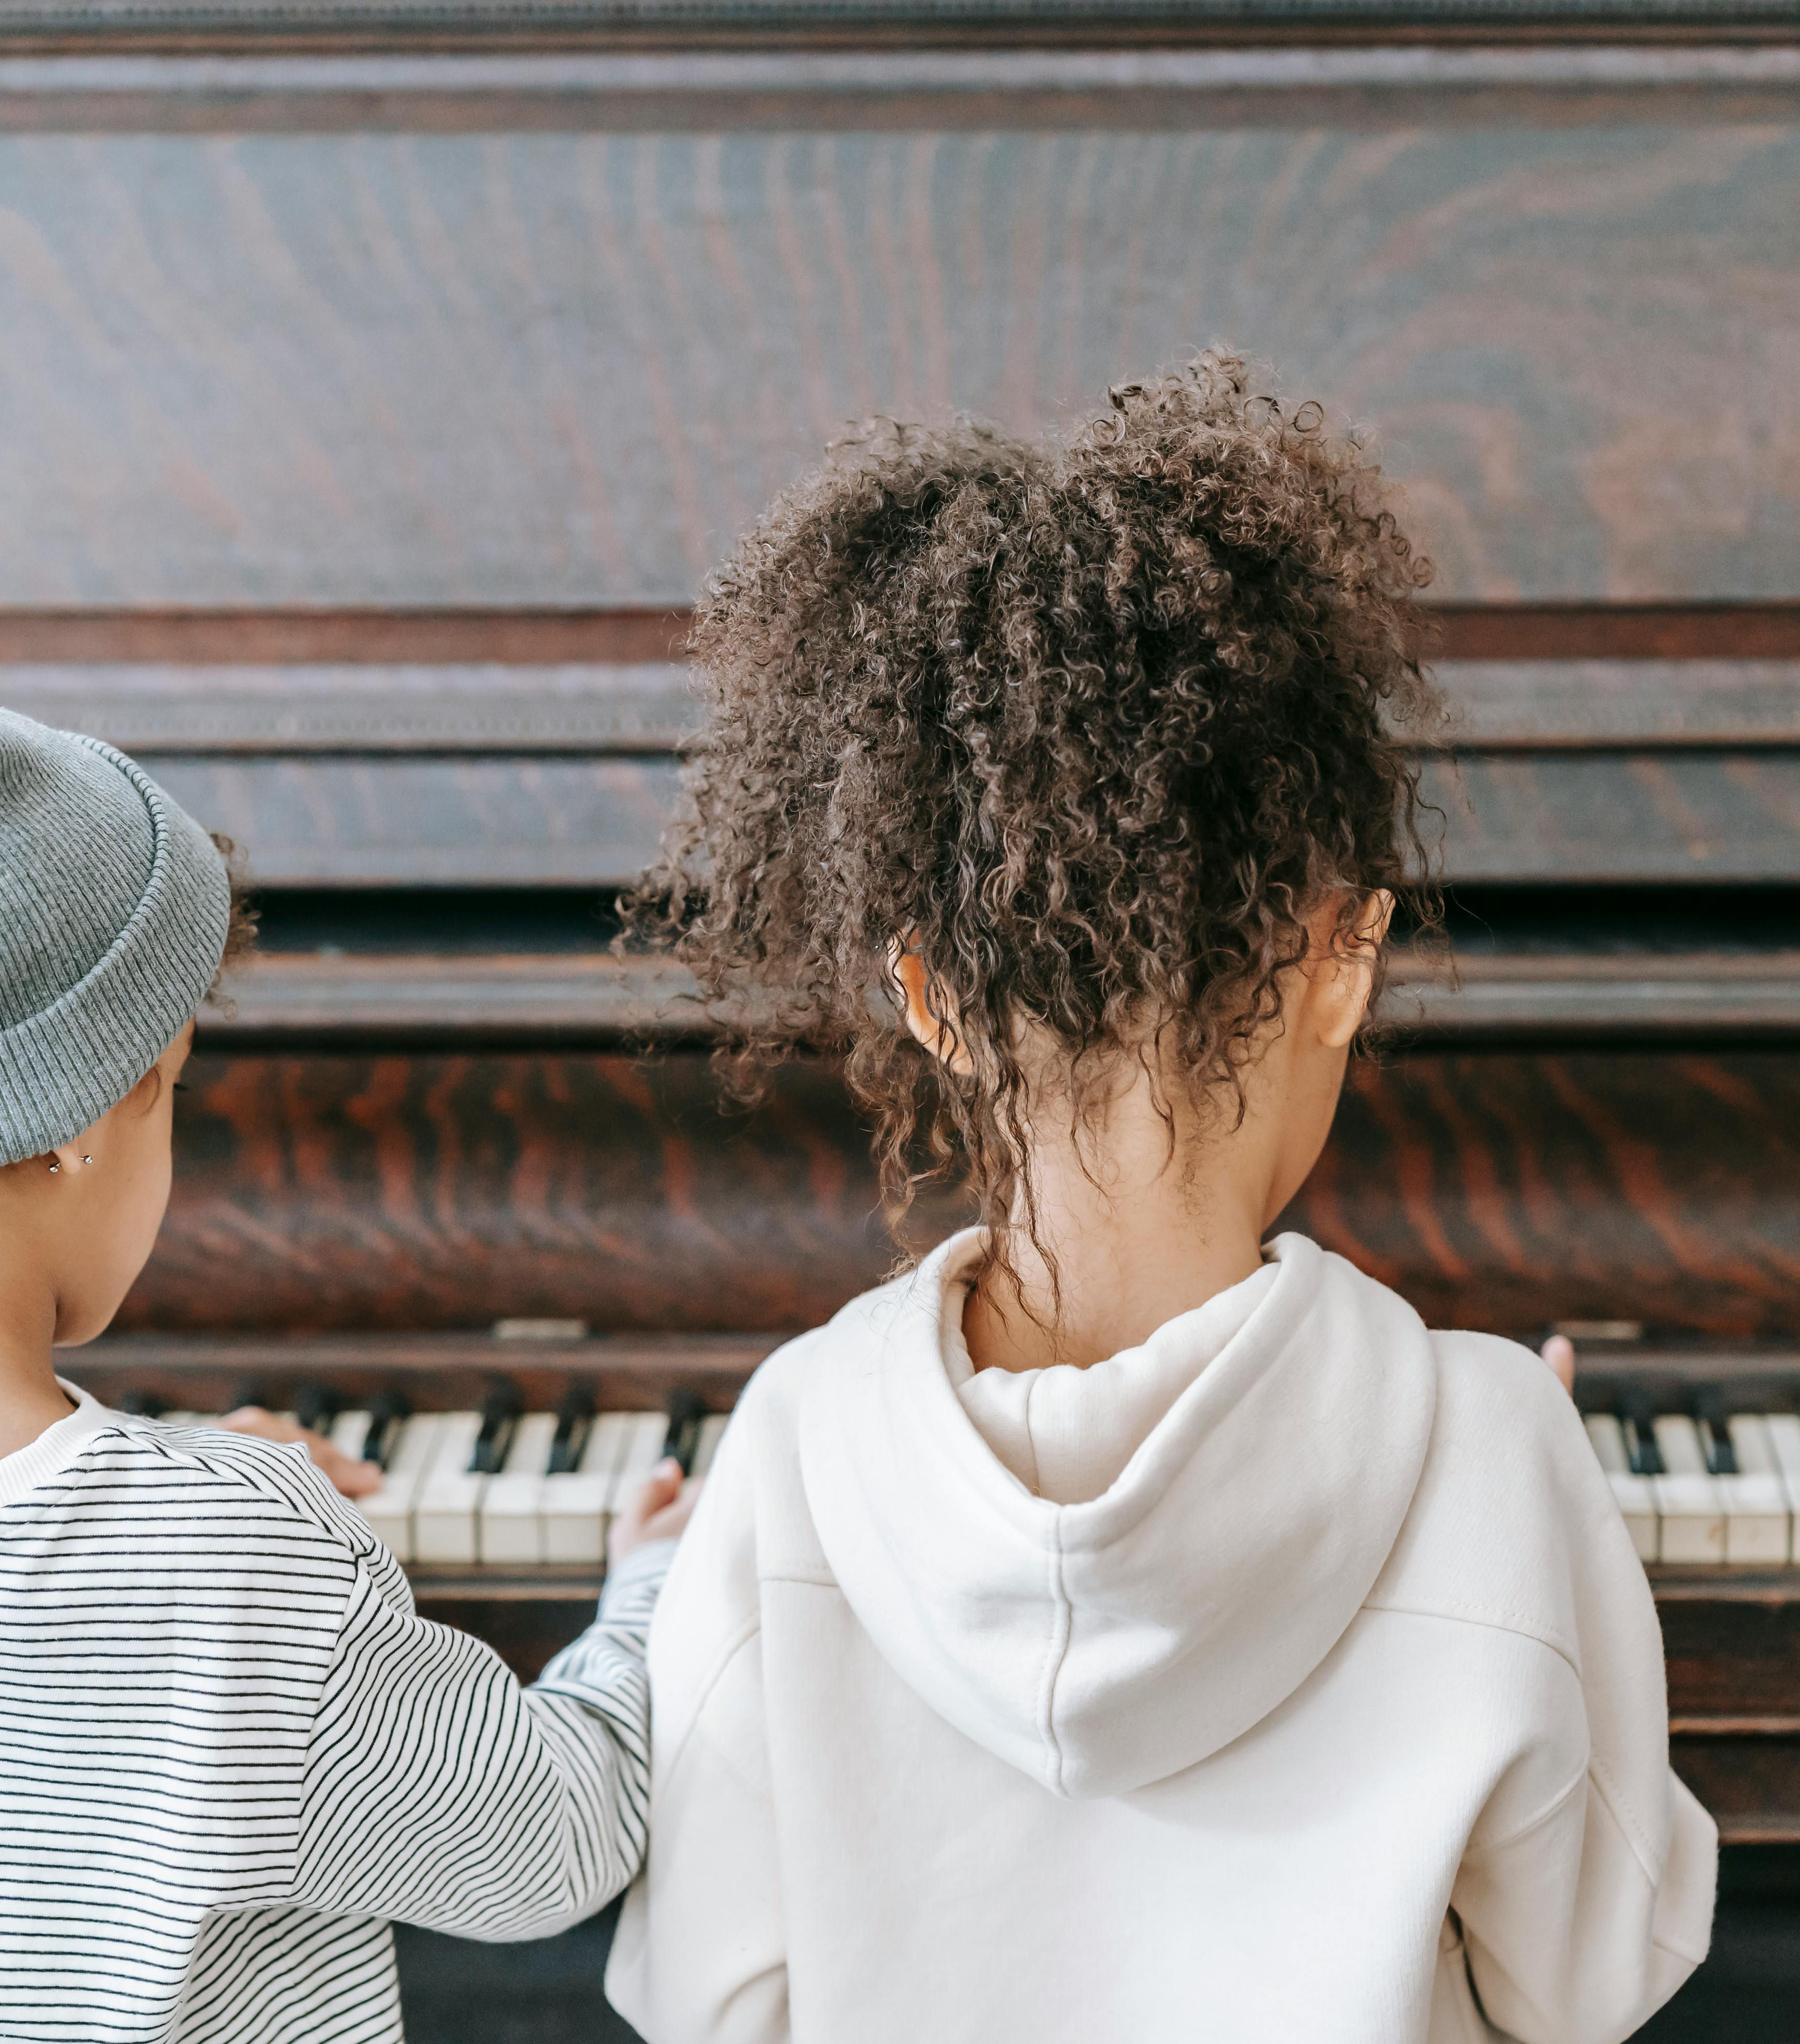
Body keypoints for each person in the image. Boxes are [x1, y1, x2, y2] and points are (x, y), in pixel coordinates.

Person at [605, 354, 1714, 2043]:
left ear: (929, 995)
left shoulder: (794, 1445)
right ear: (1344, 952)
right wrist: (1532, 1501)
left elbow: (716, 2000)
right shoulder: (1488, 1448)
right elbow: (1593, 1978)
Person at [0, 543, 695, 2043]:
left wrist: (191, 1500)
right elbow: (558, 1842)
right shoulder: (238, 1565)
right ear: (84, 1110)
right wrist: (658, 1593)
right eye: (176, 1092)